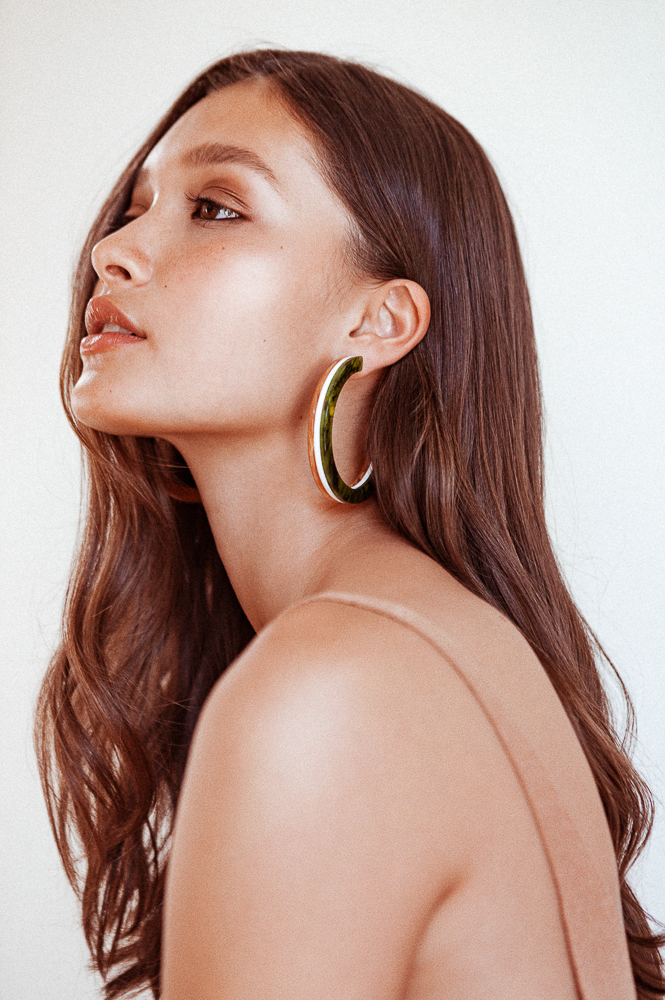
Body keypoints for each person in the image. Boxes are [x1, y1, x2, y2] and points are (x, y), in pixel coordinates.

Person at [34, 49, 664, 1000]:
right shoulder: (425, 641)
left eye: (215, 207)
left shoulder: (331, 690)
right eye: (136, 204)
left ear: (378, 323)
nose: (111, 250)